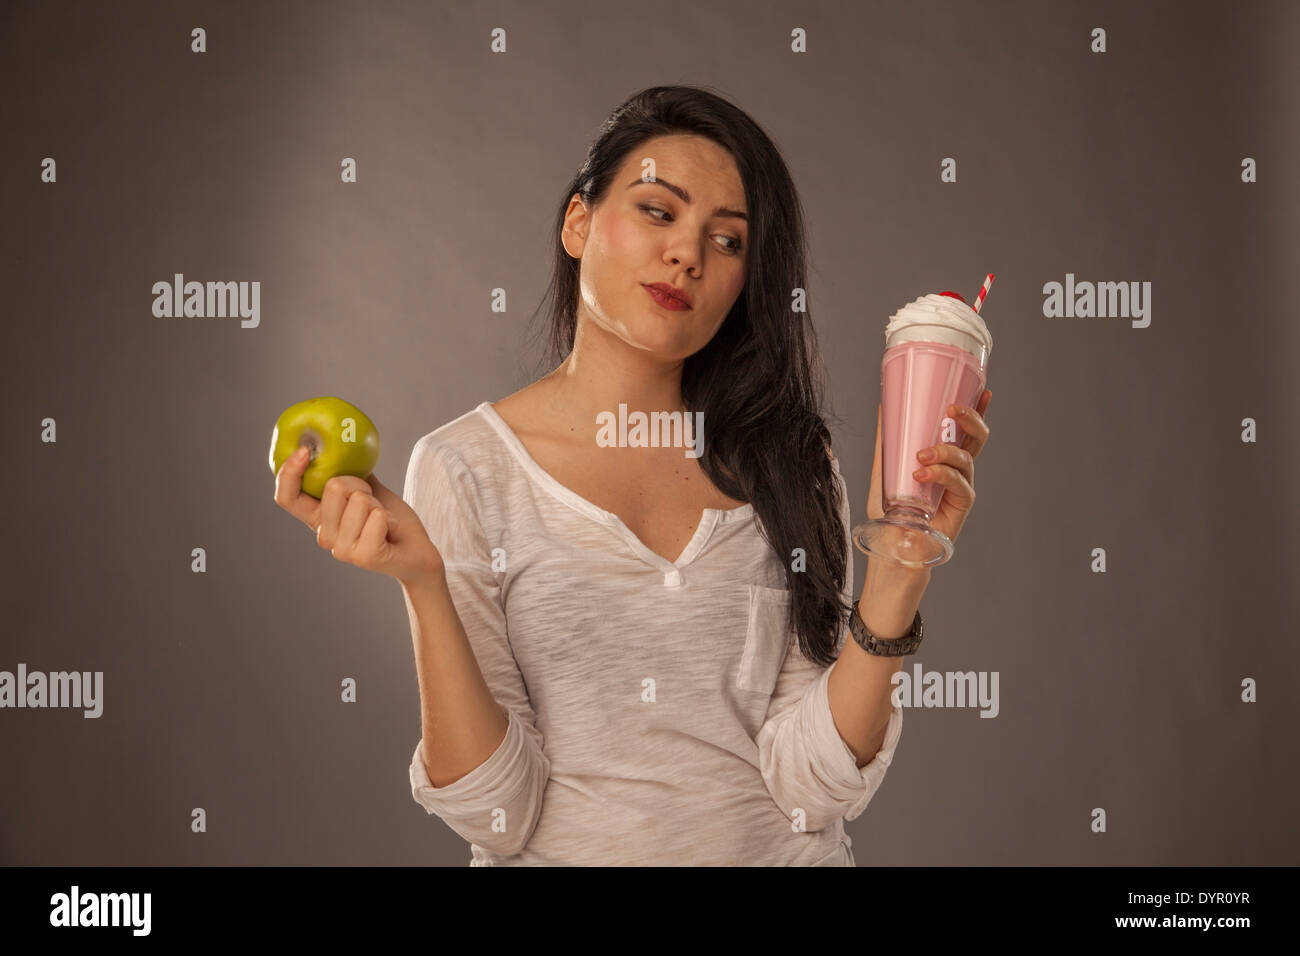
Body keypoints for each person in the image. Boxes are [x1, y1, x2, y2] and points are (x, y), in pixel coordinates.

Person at [273, 85, 991, 865]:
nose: (688, 253)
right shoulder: (465, 467)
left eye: (728, 242)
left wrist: (898, 568)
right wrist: (423, 585)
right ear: (578, 222)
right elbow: (497, 815)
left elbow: (812, 787)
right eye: (659, 211)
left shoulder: (789, 459)